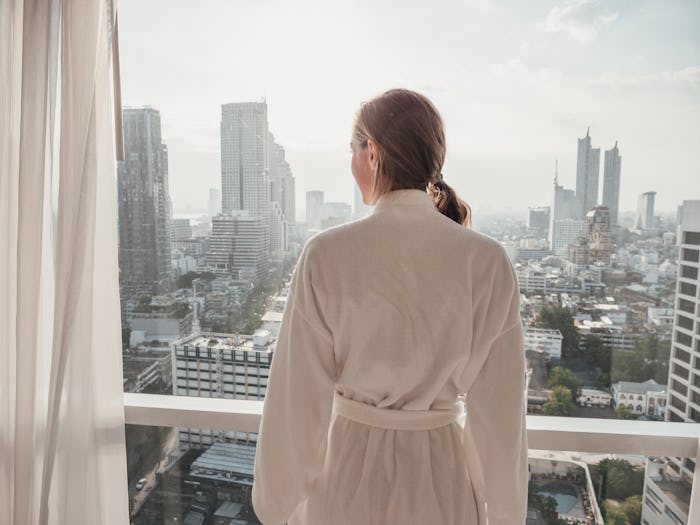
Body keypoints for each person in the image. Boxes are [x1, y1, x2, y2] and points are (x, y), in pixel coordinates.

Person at [252, 88, 527, 524]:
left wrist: (275, 504)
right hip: (443, 487)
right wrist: (507, 513)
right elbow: (502, 411)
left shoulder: (327, 254)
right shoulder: (487, 261)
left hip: (345, 486)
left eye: (352, 150)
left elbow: (296, 398)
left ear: (372, 153)